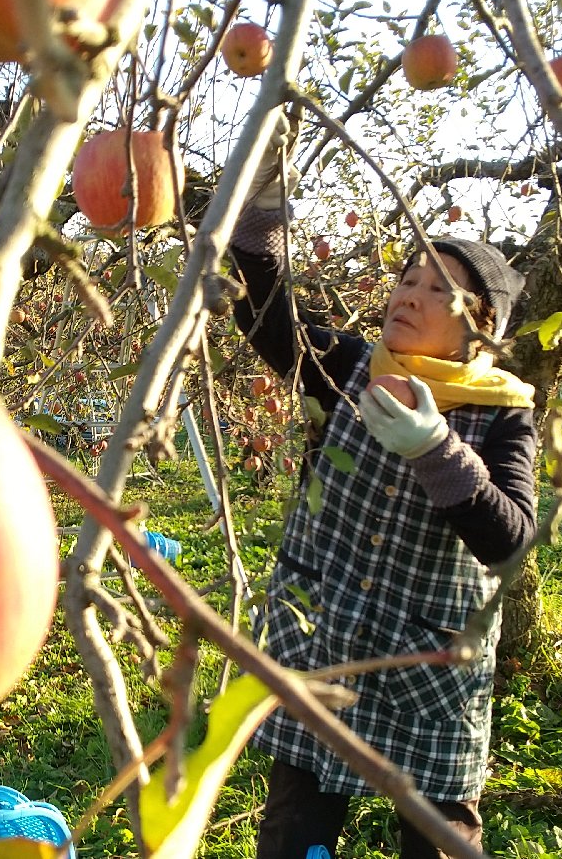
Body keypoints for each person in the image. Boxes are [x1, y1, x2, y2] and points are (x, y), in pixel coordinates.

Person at [229, 118, 538, 859]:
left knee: (438, 840)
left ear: (482, 327)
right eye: (408, 276)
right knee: (294, 829)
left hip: (427, 666)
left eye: (440, 290)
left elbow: (511, 541)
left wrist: (437, 450)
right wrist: (261, 211)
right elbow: (265, 309)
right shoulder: (346, 368)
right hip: (325, 635)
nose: (410, 293)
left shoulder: (503, 416)